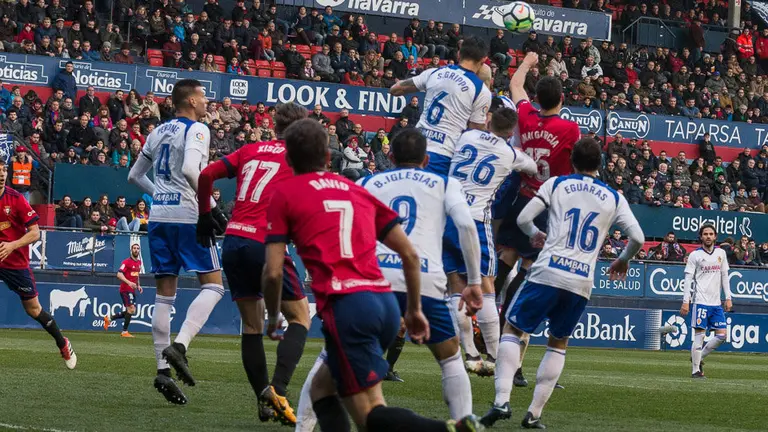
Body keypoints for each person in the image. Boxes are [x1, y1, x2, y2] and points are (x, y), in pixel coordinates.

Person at [264, 119, 483, 432]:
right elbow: (452, 232)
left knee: (361, 403)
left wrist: (275, 315)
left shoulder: (367, 183)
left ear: (390, 156)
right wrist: (463, 287)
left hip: (357, 292)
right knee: (448, 359)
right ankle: (462, 418)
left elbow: (273, 271)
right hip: (406, 290)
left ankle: (446, 429)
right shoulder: (434, 183)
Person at [481, 138, 644, 428]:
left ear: (572, 162)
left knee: (513, 329)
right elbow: (639, 238)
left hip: (548, 271)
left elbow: (524, 219)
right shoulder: (614, 197)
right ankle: (534, 414)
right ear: (600, 164)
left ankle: (502, 400)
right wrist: (622, 259)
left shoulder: (556, 184)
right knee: (558, 342)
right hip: (580, 281)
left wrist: (535, 234)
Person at [196, 103, 312, 426]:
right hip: (266, 243)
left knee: (251, 326)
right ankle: (278, 390)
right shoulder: (300, 159)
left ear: (275, 127)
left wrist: (205, 215)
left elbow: (206, 175)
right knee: (300, 317)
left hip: (234, 241)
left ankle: (263, 398)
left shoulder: (250, 150)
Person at [127, 79, 228, 405]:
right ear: (191, 101)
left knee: (164, 295)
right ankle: (180, 345)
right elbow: (189, 169)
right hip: (187, 216)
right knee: (214, 287)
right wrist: (211, 208)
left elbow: (134, 176)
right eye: (203, 96)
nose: (207, 101)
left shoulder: (157, 132)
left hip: (159, 218)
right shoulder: (197, 129)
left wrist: (161, 195)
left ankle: (162, 370)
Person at [493, 52, 581, 386]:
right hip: (546, 206)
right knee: (529, 268)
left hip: (520, 198)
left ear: (538, 99)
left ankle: (485, 311)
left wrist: (528, 62)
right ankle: (508, 323)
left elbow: (515, 85)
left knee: (507, 257)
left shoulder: (526, 116)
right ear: (562, 99)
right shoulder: (569, 128)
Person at [446, 107, 537, 377]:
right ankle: (495, 356)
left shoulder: (467, 136)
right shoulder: (509, 154)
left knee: (455, 284)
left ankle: (470, 353)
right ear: (510, 132)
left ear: (488, 121)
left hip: (448, 216)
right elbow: (533, 168)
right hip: (476, 219)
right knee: (486, 286)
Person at [0, 159, 76, 368]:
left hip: (15, 263)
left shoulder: (16, 199)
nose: (1, 174)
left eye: (4, 170)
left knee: (33, 310)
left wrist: (12, 245)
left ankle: (62, 343)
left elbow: (35, 233)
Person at [389, 36, 492, 175]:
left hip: (414, 149)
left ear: (458, 54)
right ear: (484, 60)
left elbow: (395, 89)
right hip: (443, 154)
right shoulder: (480, 90)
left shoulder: (434, 72)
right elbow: (475, 131)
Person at [681, 224, 732, 379]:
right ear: (701, 236)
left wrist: (728, 297)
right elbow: (688, 279)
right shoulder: (695, 255)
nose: (708, 236)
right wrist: (686, 301)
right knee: (700, 336)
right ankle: (695, 370)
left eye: (711, 234)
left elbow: (725, 276)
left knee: (722, 335)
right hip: (700, 302)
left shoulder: (721, 253)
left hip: (716, 303)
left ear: (715, 236)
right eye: (705, 234)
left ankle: (698, 357)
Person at [103, 243, 143, 337]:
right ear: (131, 250)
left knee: (131, 310)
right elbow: (119, 274)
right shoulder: (126, 262)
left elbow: (136, 275)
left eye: (137, 248)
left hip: (132, 290)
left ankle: (109, 319)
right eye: (134, 248)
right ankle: (124, 332)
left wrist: (138, 285)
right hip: (125, 289)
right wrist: (129, 283)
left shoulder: (139, 262)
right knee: (131, 309)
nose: (136, 250)